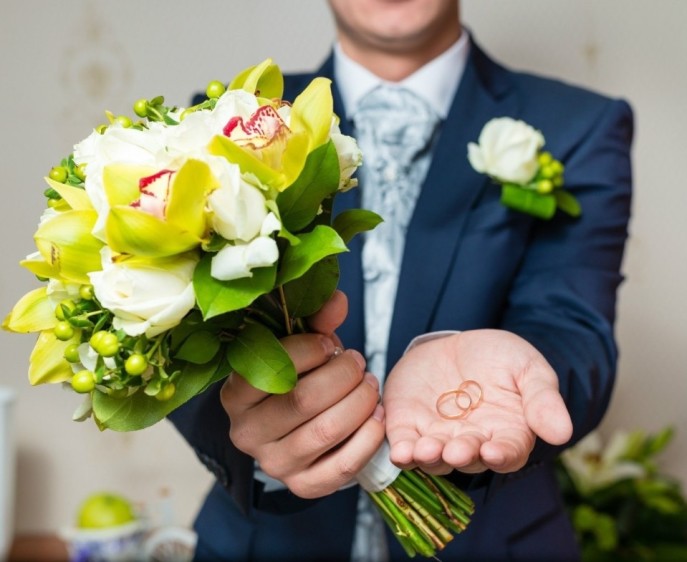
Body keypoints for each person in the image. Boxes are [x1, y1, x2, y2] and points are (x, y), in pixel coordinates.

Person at [169, 0, 633, 560]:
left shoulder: (578, 123)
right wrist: (252, 428)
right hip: (267, 539)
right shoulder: (227, 121)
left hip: (491, 540)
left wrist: (516, 382)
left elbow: (572, 326)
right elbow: (182, 331)